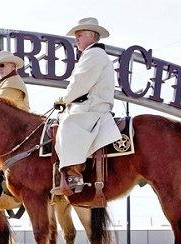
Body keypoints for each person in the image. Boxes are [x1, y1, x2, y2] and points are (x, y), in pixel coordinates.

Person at [52, 17, 121, 196]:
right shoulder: (93, 54)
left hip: (93, 106)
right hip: (91, 104)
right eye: (76, 35)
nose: (76, 38)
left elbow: (80, 83)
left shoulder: (94, 54)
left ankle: (74, 176)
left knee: (68, 125)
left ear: (92, 35)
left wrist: (64, 99)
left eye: (79, 34)